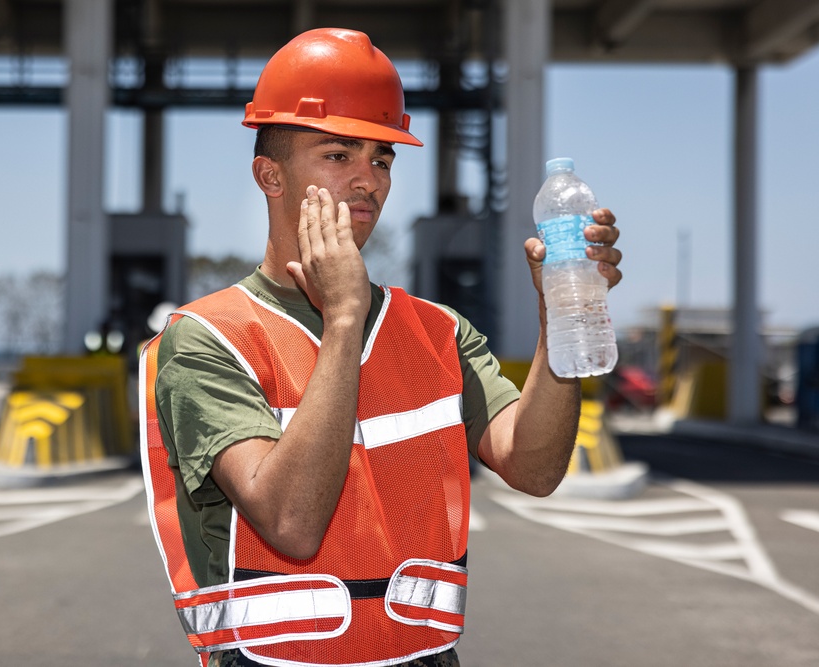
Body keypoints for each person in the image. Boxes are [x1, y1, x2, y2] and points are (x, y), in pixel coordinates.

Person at [139, 27, 623, 667]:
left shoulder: (436, 330)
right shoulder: (207, 339)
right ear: (269, 175)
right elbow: (290, 521)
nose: (368, 180)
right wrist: (344, 318)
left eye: (382, 158)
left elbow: (533, 469)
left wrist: (560, 313)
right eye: (338, 155)